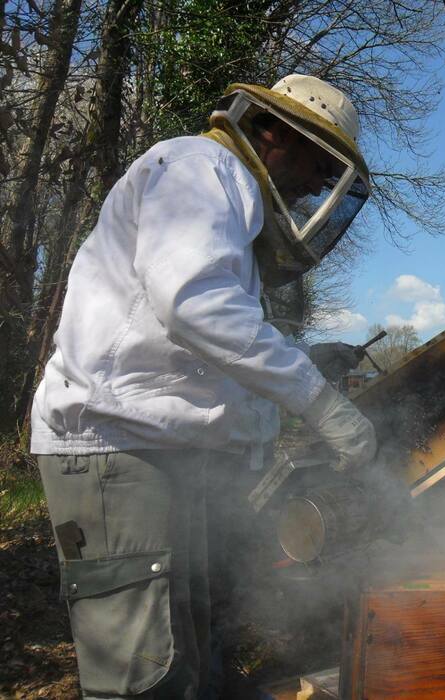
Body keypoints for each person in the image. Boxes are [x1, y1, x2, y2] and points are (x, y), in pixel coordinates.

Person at [30, 74, 377, 699]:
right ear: (273, 132)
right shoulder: (200, 169)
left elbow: (215, 344)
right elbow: (195, 305)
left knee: (193, 658)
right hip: (120, 448)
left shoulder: (228, 202)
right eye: (322, 163)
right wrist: (317, 400)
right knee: (146, 677)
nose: (321, 185)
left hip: (166, 455)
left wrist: (303, 363)